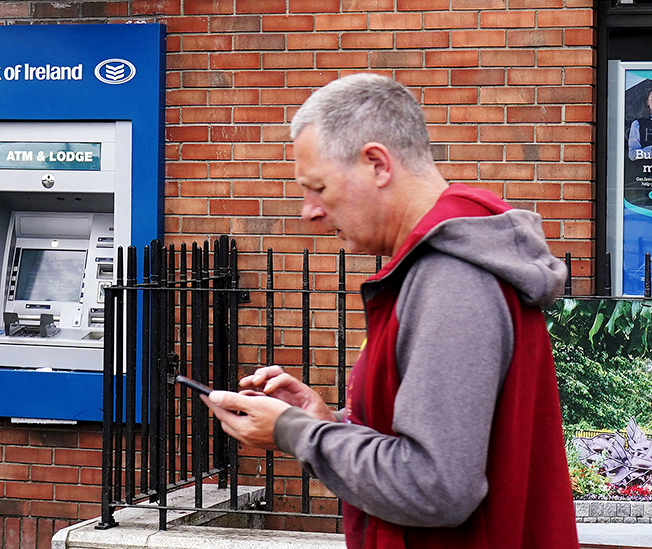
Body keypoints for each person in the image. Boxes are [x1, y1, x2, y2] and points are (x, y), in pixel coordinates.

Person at [202, 74, 579, 548]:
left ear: (377, 163)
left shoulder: (452, 277)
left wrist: (294, 432)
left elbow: (434, 486)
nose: (308, 211)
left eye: (317, 186)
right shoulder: (442, 264)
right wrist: (328, 423)